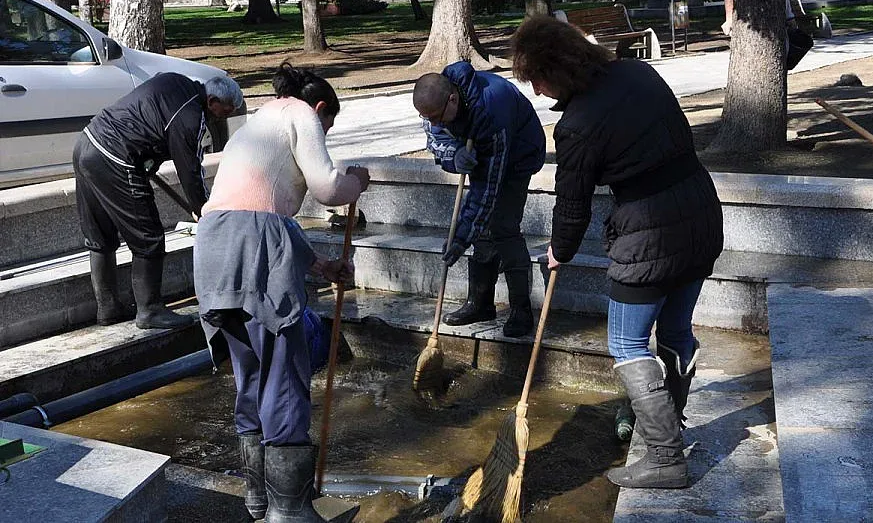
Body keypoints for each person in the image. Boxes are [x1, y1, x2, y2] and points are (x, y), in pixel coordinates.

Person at [511, 16, 724, 489]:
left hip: (648, 234)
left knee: (627, 344)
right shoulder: (638, 72)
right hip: (701, 213)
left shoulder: (578, 125)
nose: (539, 92)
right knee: (675, 329)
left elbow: (572, 204)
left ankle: (666, 458)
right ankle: (668, 426)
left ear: (556, 71)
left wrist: (558, 252)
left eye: (538, 80)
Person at [193, 63, 370, 522]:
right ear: (321, 108)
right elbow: (329, 188)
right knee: (285, 377)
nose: (324, 133)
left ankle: (259, 500)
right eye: (328, 126)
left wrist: (320, 266)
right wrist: (357, 182)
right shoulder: (301, 114)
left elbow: (264, 212)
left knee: (249, 373)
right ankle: (290, 510)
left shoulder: (258, 124)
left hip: (213, 247)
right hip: (255, 250)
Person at [73, 72, 243, 330]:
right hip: (115, 157)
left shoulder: (174, 81)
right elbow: (190, 171)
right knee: (149, 236)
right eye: (223, 112)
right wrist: (205, 210)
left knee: (101, 235)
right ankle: (149, 311)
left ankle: (108, 308)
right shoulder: (192, 115)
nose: (222, 119)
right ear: (211, 100)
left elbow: (149, 120)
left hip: (87, 144)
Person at [412, 63, 546, 338]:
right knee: (482, 229)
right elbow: (434, 139)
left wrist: (461, 237)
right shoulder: (435, 103)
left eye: (437, 117)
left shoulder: (492, 108)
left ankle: (521, 309)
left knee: (503, 226)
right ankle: (480, 304)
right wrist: (454, 153)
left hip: (519, 155)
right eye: (429, 117)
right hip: (482, 148)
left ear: (453, 99)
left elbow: (488, 189)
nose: (434, 122)